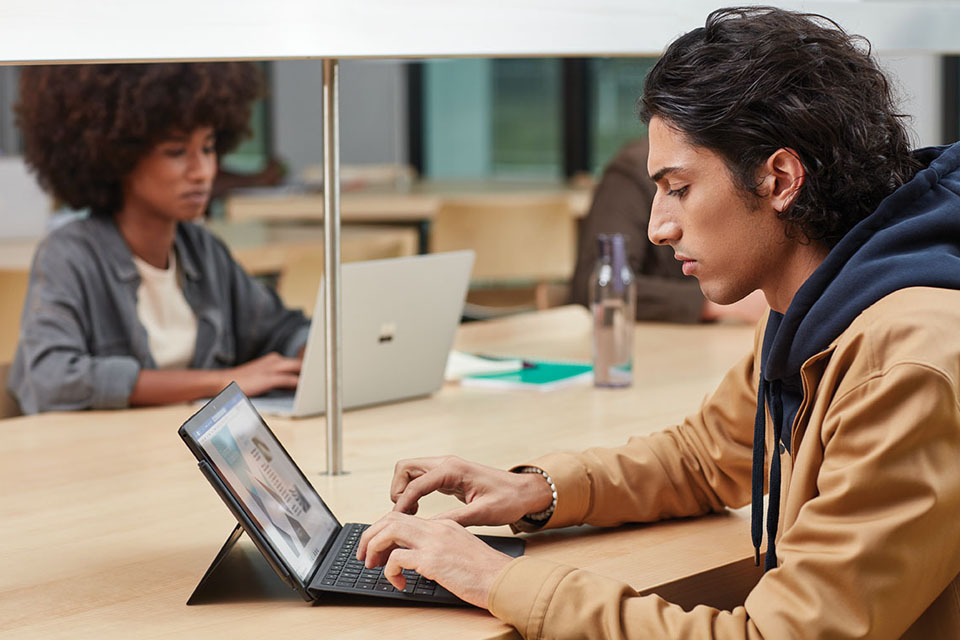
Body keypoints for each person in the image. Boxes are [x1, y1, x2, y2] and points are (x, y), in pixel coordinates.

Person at [355, 6, 960, 638]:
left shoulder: (905, 363)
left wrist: (496, 580)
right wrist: (532, 490)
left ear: (780, 179)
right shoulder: (818, 305)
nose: (657, 227)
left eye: (678, 187)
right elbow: (705, 458)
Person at [8, 63, 308, 414]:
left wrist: (307, 359)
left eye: (208, 148)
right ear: (119, 156)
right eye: (177, 152)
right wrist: (221, 383)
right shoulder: (69, 255)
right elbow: (51, 379)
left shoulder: (202, 251)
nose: (202, 172)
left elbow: (285, 328)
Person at [570, 138, 767, 324]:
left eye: (679, 189)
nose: (656, 232)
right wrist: (720, 304)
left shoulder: (745, 165)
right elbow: (597, 284)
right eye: (678, 188)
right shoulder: (631, 169)